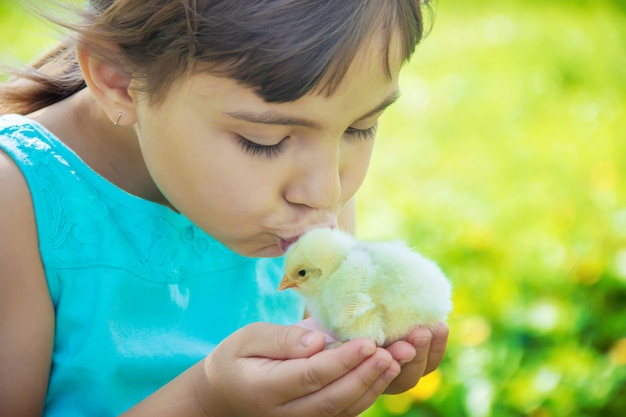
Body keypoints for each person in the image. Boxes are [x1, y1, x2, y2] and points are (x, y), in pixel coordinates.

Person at [0, 0, 450, 416]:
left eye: (360, 127)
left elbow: (327, 336)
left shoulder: (307, 194)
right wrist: (202, 403)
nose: (327, 191)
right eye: (265, 141)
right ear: (118, 79)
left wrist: (349, 368)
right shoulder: (17, 200)